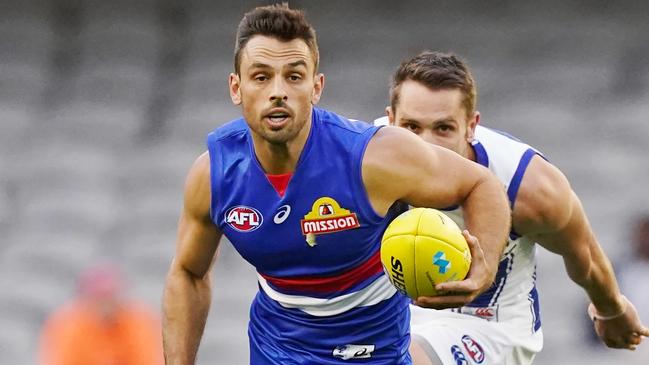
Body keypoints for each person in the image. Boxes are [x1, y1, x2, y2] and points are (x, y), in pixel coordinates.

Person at [162, 4, 511, 365]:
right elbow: (188, 272)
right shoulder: (215, 175)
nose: (278, 91)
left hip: (376, 356)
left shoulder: (374, 157)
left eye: (294, 77)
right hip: (276, 353)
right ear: (236, 88)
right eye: (261, 76)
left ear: (316, 86)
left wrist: (484, 270)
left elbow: (481, 184)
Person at [375, 51, 649, 365]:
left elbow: (582, 252)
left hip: (488, 326)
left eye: (443, 129)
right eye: (411, 127)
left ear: (471, 126)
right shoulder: (368, 158)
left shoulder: (528, 187)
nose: (426, 146)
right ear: (390, 120)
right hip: (392, 314)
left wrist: (611, 309)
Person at [39, 264, 164, 365]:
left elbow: (148, 359)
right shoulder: (68, 325)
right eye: (99, 299)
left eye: (110, 297)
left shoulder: (140, 321)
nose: (105, 305)